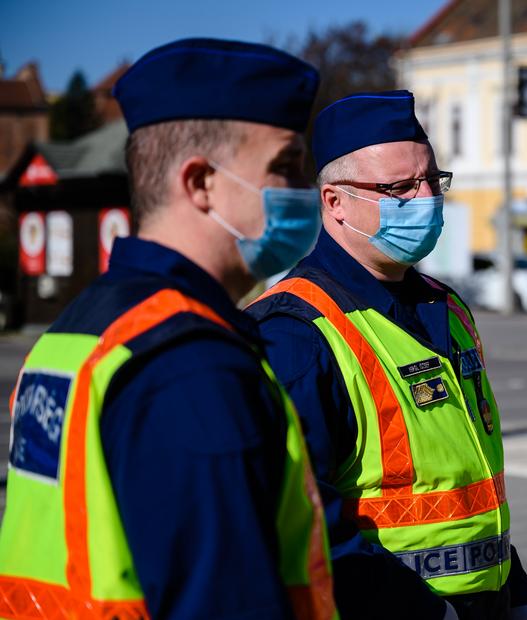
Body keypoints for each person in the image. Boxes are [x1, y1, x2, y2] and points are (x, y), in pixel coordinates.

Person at [0, 38, 336, 619]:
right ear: (201, 181)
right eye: (285, 165)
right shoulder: (191, 365)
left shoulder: (84, 325)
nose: (305, 187)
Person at [247, 91, 527, 620]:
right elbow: (295, 517)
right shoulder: (294, 331)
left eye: (432, 181)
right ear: (334, 202)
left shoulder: (445, 306)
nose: (426, 198)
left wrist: (517, 595)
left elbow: (467, 487)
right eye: (400, 187)